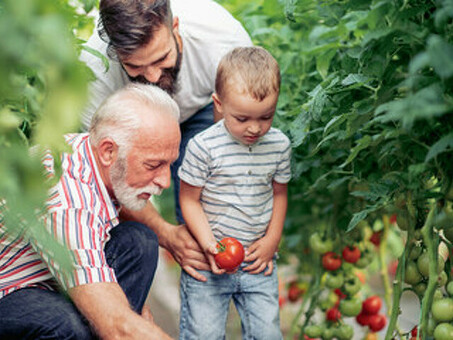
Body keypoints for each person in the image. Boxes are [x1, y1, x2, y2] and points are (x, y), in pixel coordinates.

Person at [0, 84, 190, 339]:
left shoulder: (91, 153)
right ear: (108, 151)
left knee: (139, 240)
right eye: (153, 165)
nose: (165, 181)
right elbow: (118, 326)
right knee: (64, 325)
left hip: (46, 277)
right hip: (8, 289)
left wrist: (135, 315)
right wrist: (125, 325)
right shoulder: (68, 202)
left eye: (169, 164)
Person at [79, 0, 253, 224]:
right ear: (113, 51)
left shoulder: (225, 42)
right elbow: (107, 175)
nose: (151, 76)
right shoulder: (93, 72)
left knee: (211, 200)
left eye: (161, 58)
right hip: (133, 124)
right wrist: (166, 233)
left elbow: (230, 148)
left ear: (175, 28)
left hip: (202, 110)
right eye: (134, 66)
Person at [178, 47, 291, 339]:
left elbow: (279, 194)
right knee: (203, 333)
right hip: (209, 263)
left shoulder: (279, 145)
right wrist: (208, 245)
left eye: (266, 117)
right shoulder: (202, 147)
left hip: (258, 261)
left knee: (267, 334)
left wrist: (271, 240)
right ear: (218, 104)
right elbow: (189, 200)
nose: (255, 128)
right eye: (242, 119)